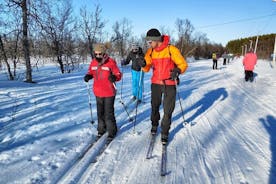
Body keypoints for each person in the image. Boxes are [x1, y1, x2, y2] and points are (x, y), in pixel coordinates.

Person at [139, 28, 188, 145]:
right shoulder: (151, 52)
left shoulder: (171, 49)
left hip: (169, 84)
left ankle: (165, 132)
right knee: (154, 106)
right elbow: (146, 68)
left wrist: (177, 70)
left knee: (168, 110)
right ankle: (154, 124)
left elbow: (183, 64)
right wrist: (143, 64)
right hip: (155, 83)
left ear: (156, 39)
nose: (149, 44)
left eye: (150, 41)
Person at [84, 43, 122, 140]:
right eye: (95, 54)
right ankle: (101, 129)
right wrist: (88, 76)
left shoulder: (111, 62)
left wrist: (114, 77)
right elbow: (90, 71)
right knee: (100, 113)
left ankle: (112, 131)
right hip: (98, 92)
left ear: (104, 53)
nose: (97, 56)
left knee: (108, 113)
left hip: (109, 92)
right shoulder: (93, 62)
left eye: (99, 54)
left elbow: (118, 74)